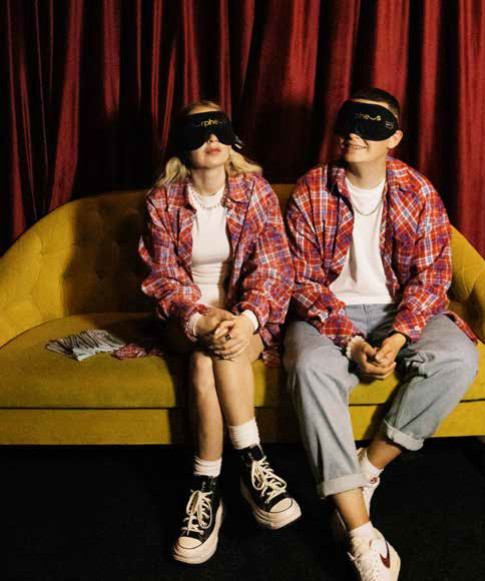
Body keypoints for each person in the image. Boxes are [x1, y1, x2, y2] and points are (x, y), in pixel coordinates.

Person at [283, 88, 478, 581]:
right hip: (329, 315)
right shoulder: (311, 189)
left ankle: (366, 468)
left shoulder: (419, 191)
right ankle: (360, 533)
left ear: (394, 138)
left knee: (457, 358)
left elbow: (432, 278)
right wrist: (351, 342)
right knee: (308, 368)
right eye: (348, 122)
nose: (354, 133)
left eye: (370, 125)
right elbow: (301, 282)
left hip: (400, 310)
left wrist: (399, 336)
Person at [139, 100, 301, 565]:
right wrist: (201, 318)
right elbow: (163, 279)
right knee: (204, 347)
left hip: (245, 314)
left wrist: (243, 319)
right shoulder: (161, 201)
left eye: (220, 129)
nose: (212, 138)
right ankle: (254, 463)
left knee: (206, 359)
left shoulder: (256, 192)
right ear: (181, 144)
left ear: (232, 141)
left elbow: (274, 270)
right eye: (200, 130)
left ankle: (207, 484)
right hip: (183, 318)